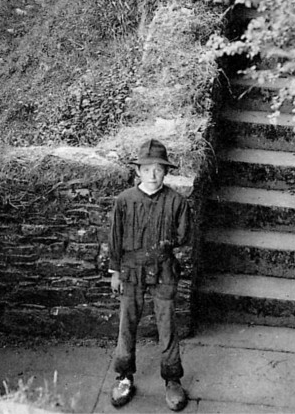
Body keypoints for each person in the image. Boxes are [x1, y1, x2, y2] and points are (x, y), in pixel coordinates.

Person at [108, 139, 189, 411]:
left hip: (164, 270)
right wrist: (116, 272)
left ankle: (173, 380)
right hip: (131, 270)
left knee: (166, 324)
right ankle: (124, 376)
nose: (152, 174)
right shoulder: (124, 201)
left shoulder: (176, 202)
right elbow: (115, 239)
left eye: (158, 168)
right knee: (127, 323)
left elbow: (184, 237)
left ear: (165, 172)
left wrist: (166, 253)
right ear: (138, 172)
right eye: (146, 168)